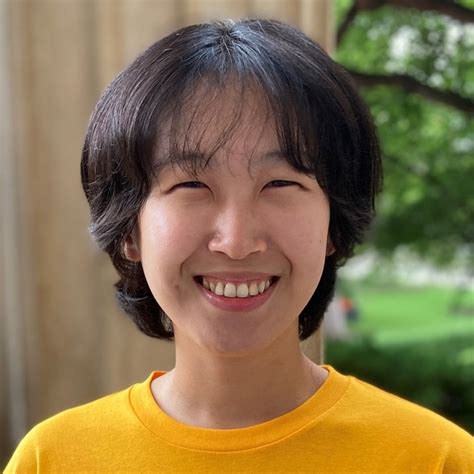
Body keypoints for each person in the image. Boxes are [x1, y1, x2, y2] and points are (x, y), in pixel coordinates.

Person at [5, 19, 473, 473]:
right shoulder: (54, 460)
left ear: (334, 221)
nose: (236, 242)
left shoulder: (437, 460)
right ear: (130, 230)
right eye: (191, 184)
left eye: (280, 183)